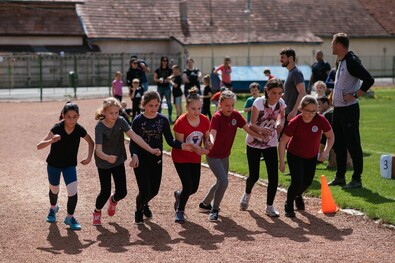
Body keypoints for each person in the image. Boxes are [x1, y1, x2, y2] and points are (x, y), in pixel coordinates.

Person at [92, 97, 160, 226]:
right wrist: (107, 157)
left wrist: (150, 149)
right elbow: (98, 151)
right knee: (105, 191)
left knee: (122, 192)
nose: (114, 115)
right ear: (104, 112)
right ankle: (97, 211)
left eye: (117, 112)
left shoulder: (121, 121)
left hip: (118, 161)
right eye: (111, 113)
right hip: (103, 163)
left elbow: (134, 136)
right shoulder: (99, 127)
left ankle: (114, 199)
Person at [129, 90, 195, 224]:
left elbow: (170, 140)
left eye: (156, 105)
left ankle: (145, 203)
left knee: (154, 190)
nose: (153, 108)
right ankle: (139, 210)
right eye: (150, 105)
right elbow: (133, 142)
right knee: (144, 189)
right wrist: (134, 155)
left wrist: (183, 145)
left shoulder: (162, 120)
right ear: (143, 105)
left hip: (156, 159)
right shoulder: (138, 120)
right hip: (140, 159)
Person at [199, 90, 265, 222]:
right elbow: (213, 133)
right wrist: (210, 141)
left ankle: (205, 204)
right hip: (213, 156)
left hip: (225, 155)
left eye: (232, 105)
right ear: (220, 105)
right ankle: (215, 209)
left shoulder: (235, 115)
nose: (230, 108)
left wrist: (261, 137)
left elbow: (247, 129)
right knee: (224, 182)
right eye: (226, 105)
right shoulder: (217, 117)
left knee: (220, 181)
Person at [37, 101, 94, 230]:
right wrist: (51, 140)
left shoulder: (79, 129)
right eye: (68, 117)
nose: (71, 120)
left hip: (69, 166)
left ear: (78, 116)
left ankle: (69, 217)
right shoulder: (57, 128)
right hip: (54, 165)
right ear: (63, 115)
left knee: (73, 192)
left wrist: (89, 157)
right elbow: (39, 145)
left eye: (74, 117)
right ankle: (53, 209)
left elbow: (91, 142)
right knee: (54, 190)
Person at [328, 32, 374, 189]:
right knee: (339, 144)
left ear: (339, 45)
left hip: (349, 110)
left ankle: (357, 179)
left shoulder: (351, 61)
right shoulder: (341, 61)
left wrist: (356, 94)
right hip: (339, 110)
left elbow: (369, 79)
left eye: (333, 43)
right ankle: (340, 176)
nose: (331, 46)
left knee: (353, 144)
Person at [279, 95, 334, 217]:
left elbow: (331, 136)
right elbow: (282, 142)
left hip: (311, 156)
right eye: (308, 111)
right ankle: (288, 205)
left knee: (308, 182)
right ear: (301, 109)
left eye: (314, 111)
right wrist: (282, 161)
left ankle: (298, 195)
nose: (310, 114)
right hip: (295, 154)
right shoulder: (295, 122)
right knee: (297, 181)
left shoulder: (320, 119)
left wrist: (325, 152)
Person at [240, 78, 286, 217]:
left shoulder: (281, 103)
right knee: (254, 175)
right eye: (273, 93)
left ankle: (269, 207)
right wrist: (262, 130)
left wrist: (279, 124)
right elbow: (251, 124)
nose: (277, 96)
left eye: (279, 93)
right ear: (266, 90)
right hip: (254, 141)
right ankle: (247, 194)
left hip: (270, 143)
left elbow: (281, 117)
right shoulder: (259, 102)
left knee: (274, 177)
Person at [172, 87, 211, 223]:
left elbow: (207, 137)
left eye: (199, 108)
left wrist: (208, 143)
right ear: (187, 107)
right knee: (188, 185)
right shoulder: (180, 122)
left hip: (195, 157)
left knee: (194, 188)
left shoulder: (205, 120)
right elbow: (180, 145)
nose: (197, 112)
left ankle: (179, 195)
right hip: (180, 157)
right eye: (193, 109)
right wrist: (196, 149)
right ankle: (180, 211)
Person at [280, 48, 307, 124]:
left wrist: (294, 111)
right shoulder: (291, 72)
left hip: (294, 114)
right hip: (289, 112)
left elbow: (302, 92)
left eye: (283, 57)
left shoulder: (296, 73)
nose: (280, 60)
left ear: (291, 58)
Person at [154, 56, 173, 123]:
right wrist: (159, 80)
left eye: (166, 61)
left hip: (167, 87)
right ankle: (158, 117)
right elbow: (155, 78)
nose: (165, 62)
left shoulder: (169, 70)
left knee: (169, 102)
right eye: (163, 60)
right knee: (159, 102)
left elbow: (172, 76)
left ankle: (170, 118)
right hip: (160, 87)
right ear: (161, 61)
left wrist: (169, 78)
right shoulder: (158, 70)